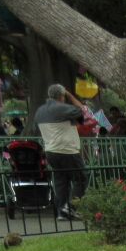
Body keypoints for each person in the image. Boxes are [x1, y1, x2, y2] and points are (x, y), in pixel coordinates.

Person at [32, 83, 89, 220]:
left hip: (51, 150)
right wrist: (70, 95)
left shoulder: (40, 111)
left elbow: (35, 128)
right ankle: (71, 208)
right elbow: (83, 110)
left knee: (61, 181)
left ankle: (61, 211)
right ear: (61, 96)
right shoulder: (62, 108)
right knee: (80, 178)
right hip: (67, 150)